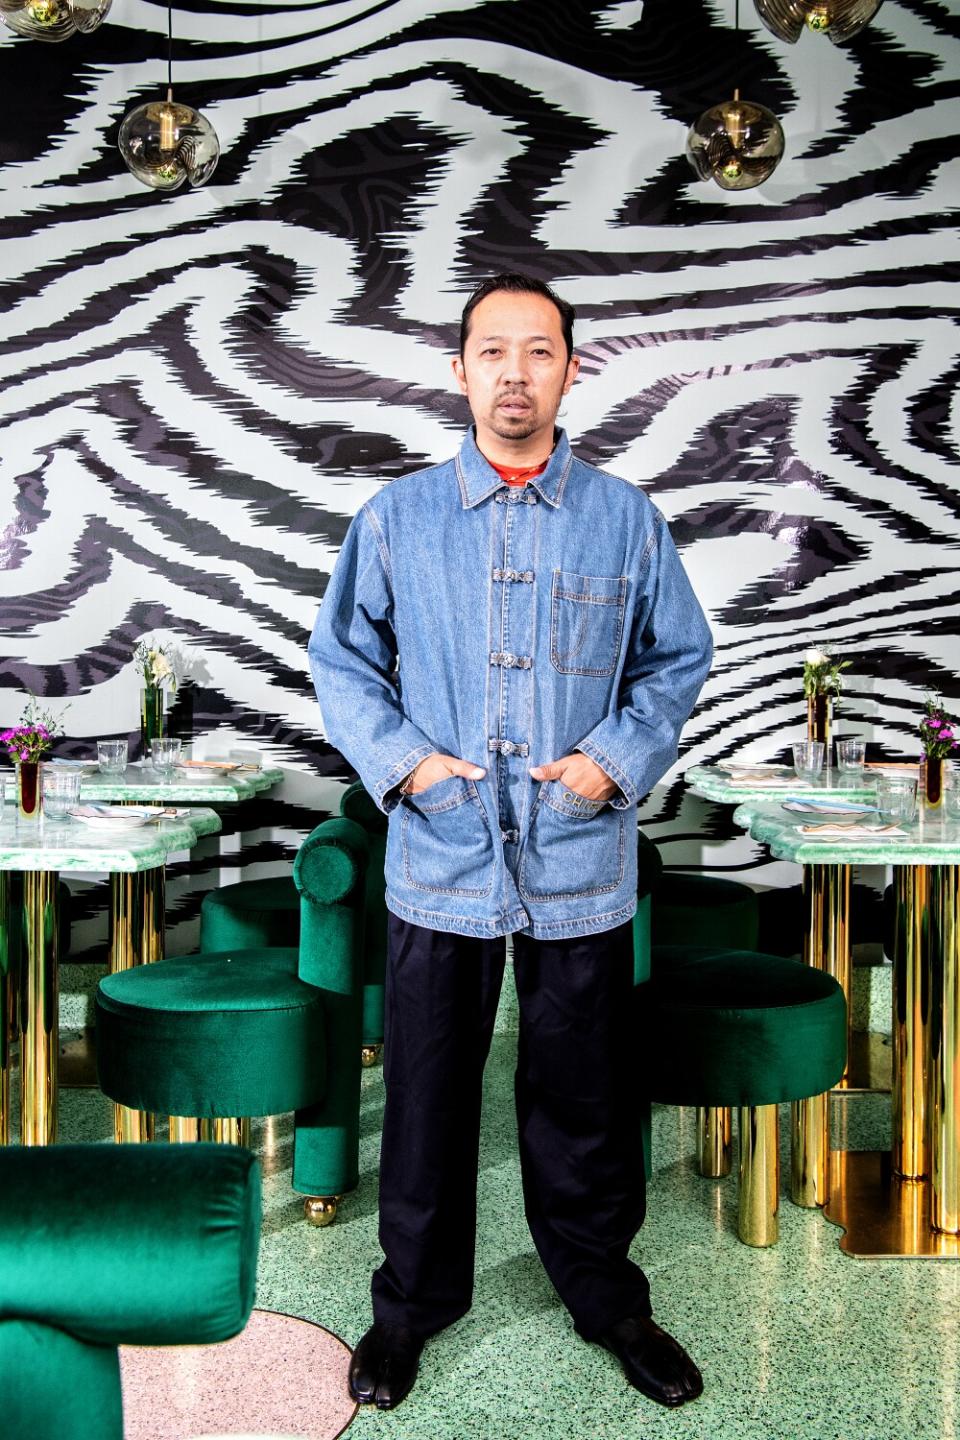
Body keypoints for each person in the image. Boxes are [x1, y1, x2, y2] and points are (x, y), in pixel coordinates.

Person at [309, 273, 713, 1412]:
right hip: (441, 852)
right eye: (495, 351)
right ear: (461, 371)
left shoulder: (625, 519)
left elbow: (677, 656)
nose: (516, 374)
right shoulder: (396, 519)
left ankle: (606, 1298)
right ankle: (409, 1312)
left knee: (583, 1093)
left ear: (571, 370)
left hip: (579, 852)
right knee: (430, 1095)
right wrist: (406, 766)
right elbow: (342, 664)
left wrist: (617, 761)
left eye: (540, 353)